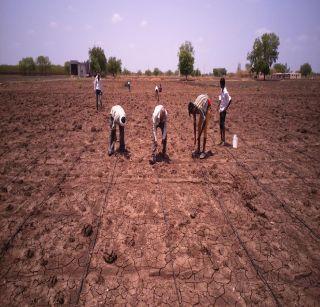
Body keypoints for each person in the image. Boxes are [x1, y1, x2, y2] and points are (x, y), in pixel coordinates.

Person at [188, 94, 212, 158]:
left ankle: (203, 151)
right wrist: (196, 138)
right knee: (198, 125)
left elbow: (204, 121)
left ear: (194, 109)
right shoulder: (193, 108)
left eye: (193, 112)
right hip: (203, 106)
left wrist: (200, 134)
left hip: (207, 109)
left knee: (205, 129)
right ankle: (198, 149)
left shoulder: (199, 108)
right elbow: (194, 123)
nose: (193, 113)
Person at [217, 78, 232, 145]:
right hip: (221, 109)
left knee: (222, 125)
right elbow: (220, 99)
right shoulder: (221, 90)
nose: (220, 84)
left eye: (220, 83)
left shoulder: (225, 92)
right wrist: (218, 106)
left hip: (223, 110)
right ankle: (221, 140)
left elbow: (230, 100)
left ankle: (224, 140)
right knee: (220, 125)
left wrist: (226, 108)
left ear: (222, 84)